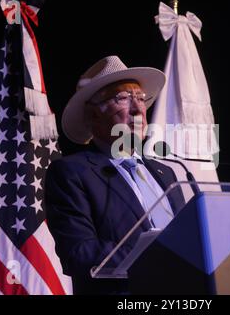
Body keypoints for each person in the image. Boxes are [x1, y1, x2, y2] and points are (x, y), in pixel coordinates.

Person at [45, 56, 186, 295]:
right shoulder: (72, 173)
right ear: (93, 116)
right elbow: (78, 253)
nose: (138, 109)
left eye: (141, 98)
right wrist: (156, 254)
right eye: (122, 98)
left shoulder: (167, 173)